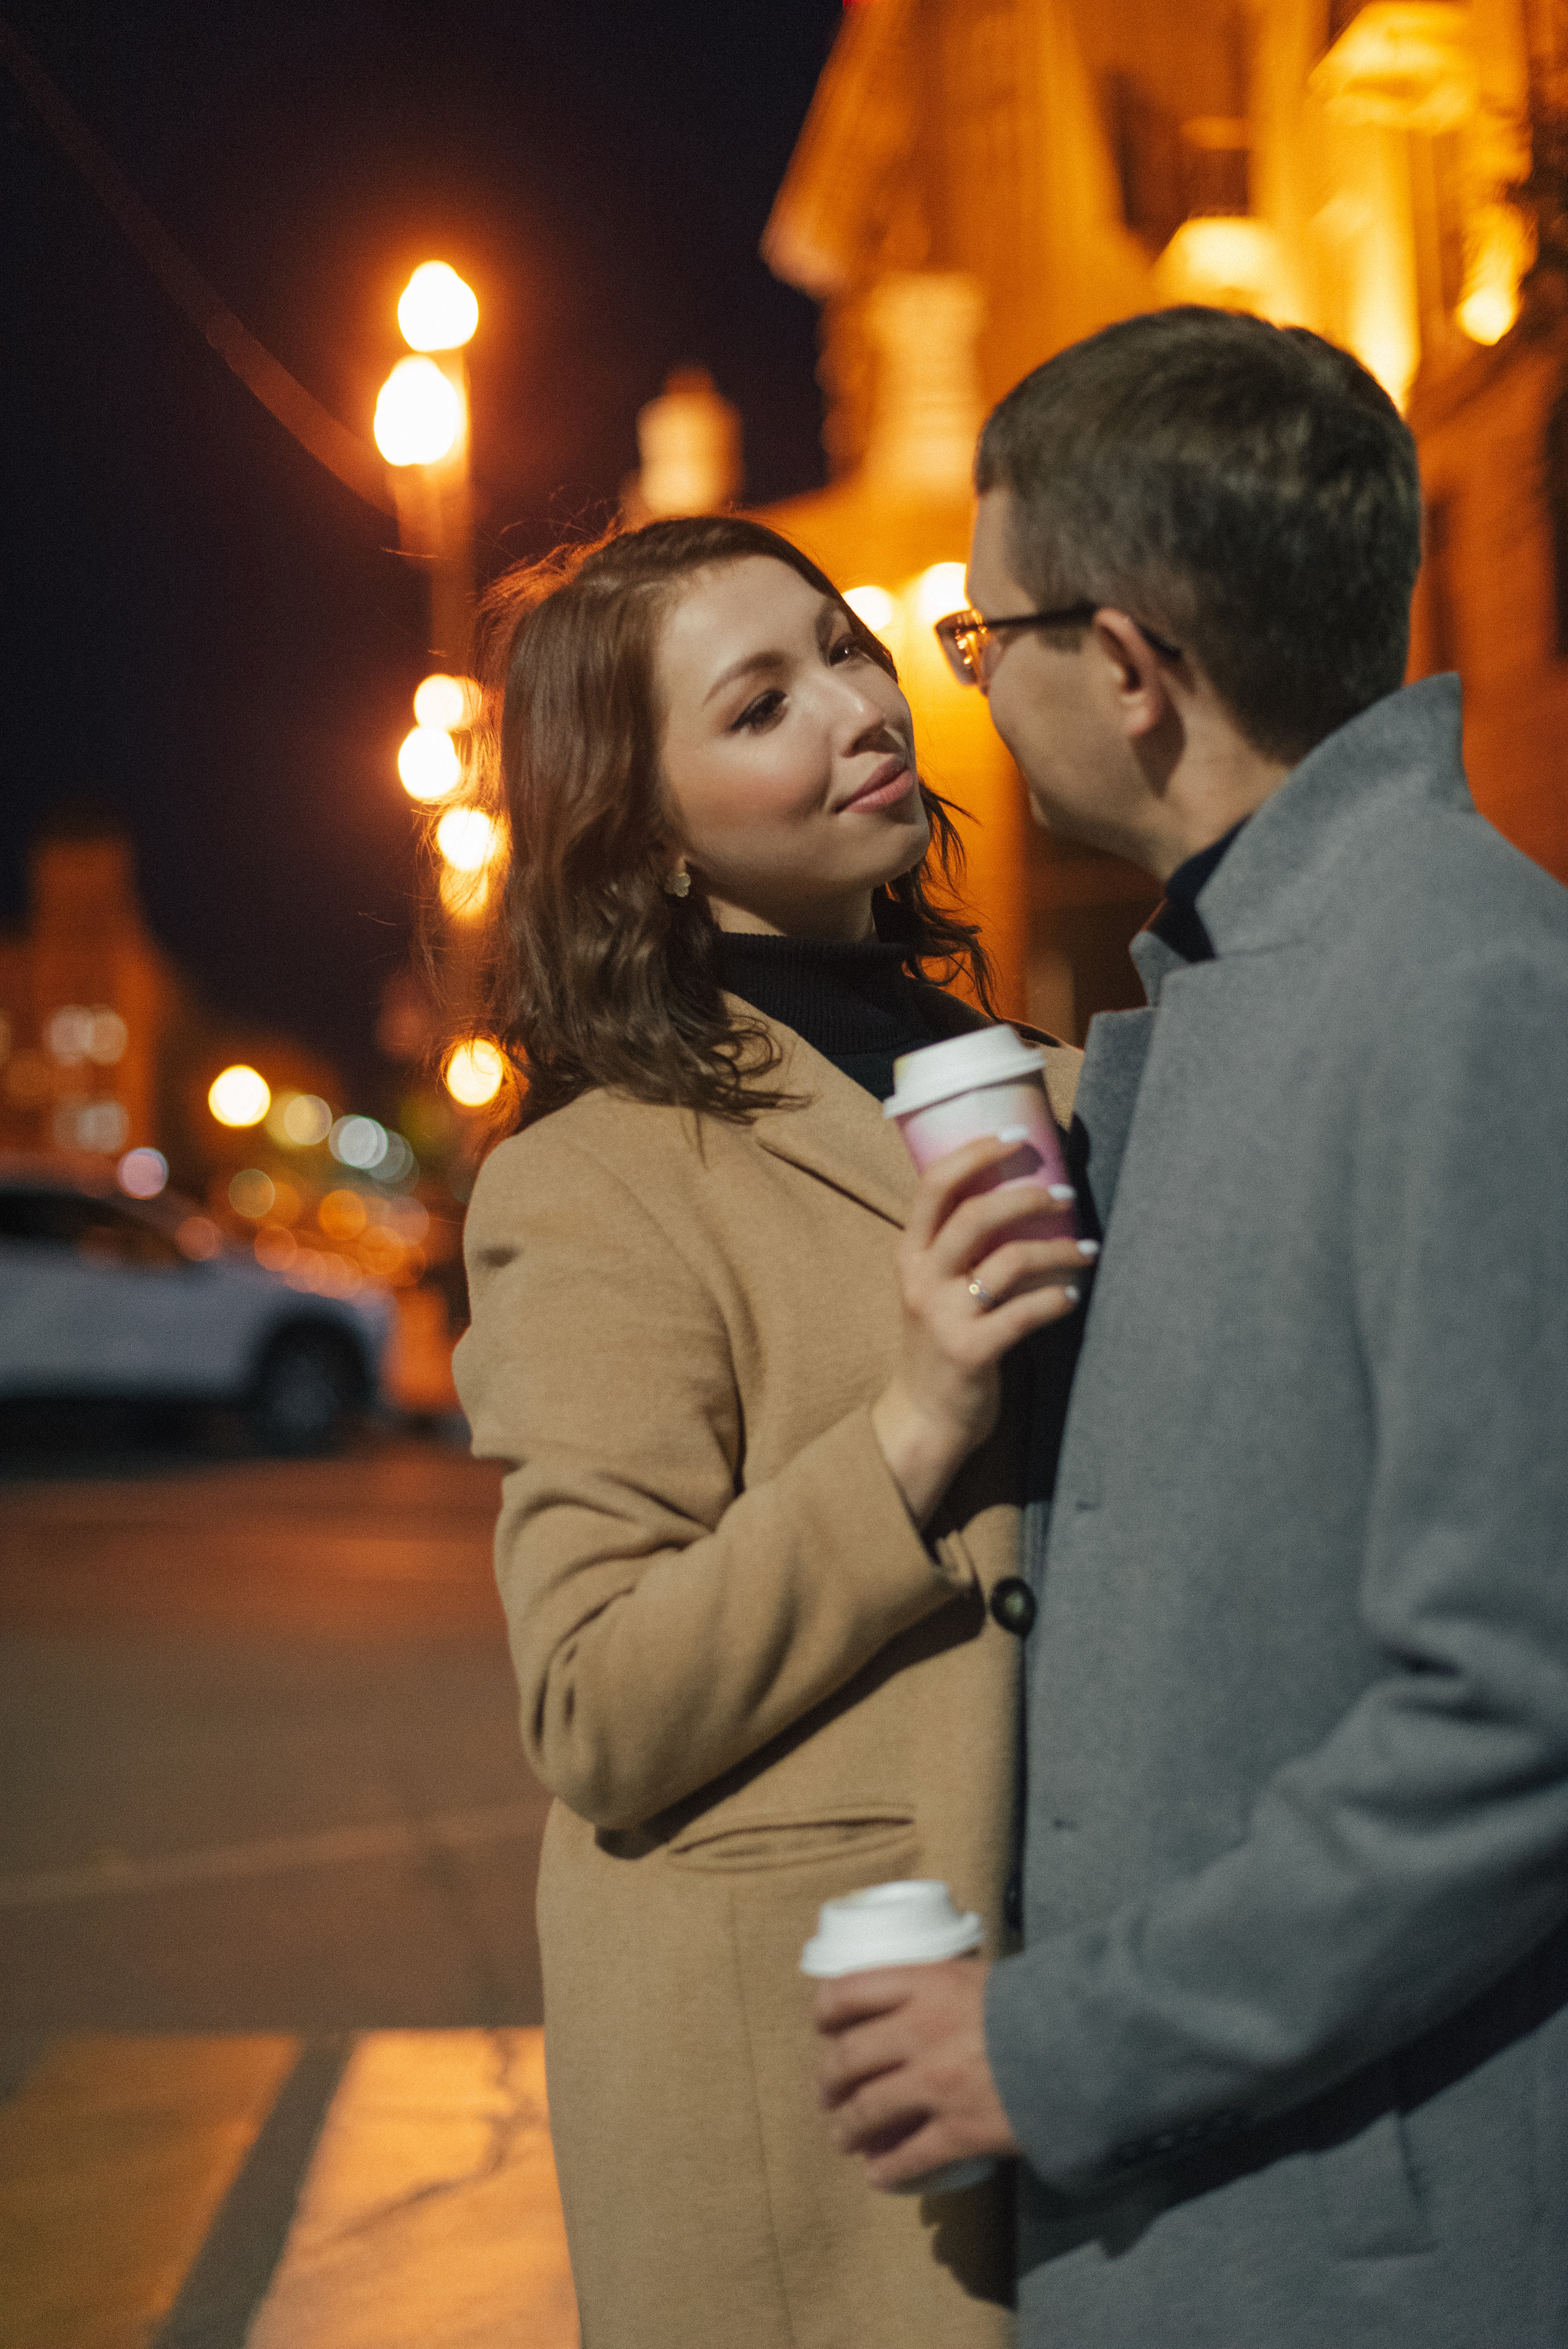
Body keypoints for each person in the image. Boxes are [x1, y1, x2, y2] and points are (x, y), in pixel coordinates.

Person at [815, 306, 1568, 2348]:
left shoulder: (1467, 992)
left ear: (1130, 669)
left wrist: (1056, 2047)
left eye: (988, 642)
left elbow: (1518, 1719)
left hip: (1354, 2240)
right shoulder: (1252, 982)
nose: (968, 686)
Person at [451, 514, 1098, 2349]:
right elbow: (593, 1703)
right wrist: (910, 1425)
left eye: (843, 645)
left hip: (1074, 2024)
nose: (855, 705)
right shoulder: (595, 1182)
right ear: (646, 838)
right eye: (762, 702)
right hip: (803, 2092)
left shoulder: (1031, 1078)